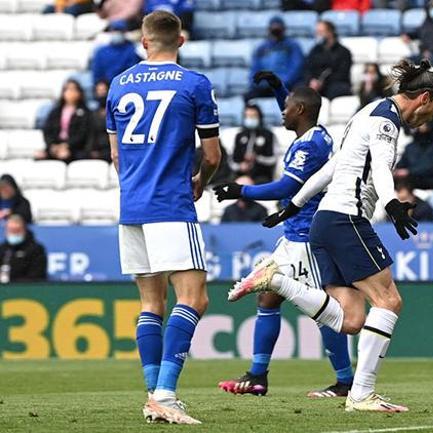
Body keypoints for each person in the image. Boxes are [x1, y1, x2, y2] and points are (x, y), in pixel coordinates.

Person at [230, 59, 433, 413]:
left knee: (351, 320)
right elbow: (379, 163)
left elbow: (332, 167)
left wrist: (293, 205)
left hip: (325, 221)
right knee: (389, 302)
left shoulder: (365, 113)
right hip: (348, 218)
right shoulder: (386, 120)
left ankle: (278, 282)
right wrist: (391, 202)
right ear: (423, 97)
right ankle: (361, 394)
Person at [105, 11, 221, 424]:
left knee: (151, 303)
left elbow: (116, 156)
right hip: (170, 204)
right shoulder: (194, 84)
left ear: (144, 41)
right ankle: (166, 395)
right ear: (182, 41)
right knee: (194, 297)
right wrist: (199, 181)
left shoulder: (119, 84)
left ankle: (153, 394)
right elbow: (211, 156)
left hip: (131, 206)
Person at [212, 71, 354, 399]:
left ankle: (345, 380)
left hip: (307, 238)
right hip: (293, 234)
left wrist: (241, 189)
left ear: (301, 111)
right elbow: (296, 108)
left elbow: (287, 187)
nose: (282, 111)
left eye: (287, 106)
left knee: (322, 311)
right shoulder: (313, 134)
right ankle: (258, 375)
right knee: (268, 297)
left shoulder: (312, 146)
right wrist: (280, 89)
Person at [247, 16, 304, 99]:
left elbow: (295, 68)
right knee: (248, 97)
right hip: (265, 87)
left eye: (278, 30)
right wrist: (263, 83)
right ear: (268, 30)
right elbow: (254, 71)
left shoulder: (292, 46)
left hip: (286, 86)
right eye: (273, 30)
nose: (275, 32)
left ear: (284, 29)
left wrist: (278, 82)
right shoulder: (261, 48)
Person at [42, 79, 92, 163]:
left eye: (73, 89)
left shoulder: (85, 112)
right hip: (56, 145)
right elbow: (47, 131)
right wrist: (52, 146)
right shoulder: (55, 112)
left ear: (79, 93)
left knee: (66, 156)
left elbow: (83, 134)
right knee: (40, 155)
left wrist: (67, 145)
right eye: (67, 89)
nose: (70, 92)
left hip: (75, 148)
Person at [304, 21, 353, 99]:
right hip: (315, 83)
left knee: (335, 89)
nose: (318, 35)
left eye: (320, 32)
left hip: (334, 83)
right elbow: (308, 68)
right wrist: (311, 80)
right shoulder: (315, 50)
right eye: (317, 32)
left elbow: (343, 74)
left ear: (330, 32)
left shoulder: (344, 52)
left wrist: (322, 83)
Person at [232, 105, 277, 184]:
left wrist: (257, 158)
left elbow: (273, 159)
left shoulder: (268, 135)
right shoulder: (239, 136)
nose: (250, 119)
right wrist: (240, 166)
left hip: (262, 175)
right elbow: (232, 161)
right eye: (248, 116)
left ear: (259, 117)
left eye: (253, 116)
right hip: (240, 175)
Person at [394, 121, 433, 190]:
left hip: (429, 181)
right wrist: (396, 171)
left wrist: (409, 172)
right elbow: (401, 164)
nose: (421, 127)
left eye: (424, 125)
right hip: (408, 181)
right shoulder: (410, 147)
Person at [0, 215, 47, 283]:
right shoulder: (3, 249)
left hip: (27, 289)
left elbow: (37, 276)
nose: (13, 234)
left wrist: (13, 281)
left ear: (24, 230)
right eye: (11, 230)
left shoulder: (36, 250)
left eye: (16, 231)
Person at [87, 80, 113, 160]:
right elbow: (91, 134)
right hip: (97, 151)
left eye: (104, 90)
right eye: (99, 91)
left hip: (112, 149)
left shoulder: (116, 112)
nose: (101, 93)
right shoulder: (92, 114)